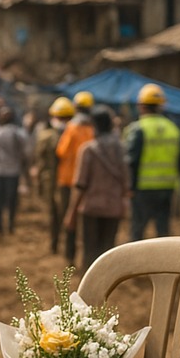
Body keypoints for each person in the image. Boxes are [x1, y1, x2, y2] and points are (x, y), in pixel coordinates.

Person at [63, 107, 130, 272]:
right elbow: (126, 181)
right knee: (107, 251)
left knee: (90, 251)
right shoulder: (120, 149)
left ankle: (89, 288)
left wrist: (71, 212)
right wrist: (124, 203)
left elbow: (80, 185)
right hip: (113, 207)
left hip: (91, 208)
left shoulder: (88, 150)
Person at [125, 82, 180, 241]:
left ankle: (135, 265)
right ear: (161, 106)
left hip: (142, 189)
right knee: (163, 232)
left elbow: (131, 161)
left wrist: (129, 187)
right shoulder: (173, 129)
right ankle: (163, 265)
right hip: (167, 187)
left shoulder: (137, 129)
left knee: (137, 230)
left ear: (141, 106)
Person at [54, 90, 96, 265]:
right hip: (88, 184)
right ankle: (88, 259)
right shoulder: (94, 129)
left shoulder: (71, 129)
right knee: (86, 223)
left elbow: (60, 152)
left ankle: (70, 257)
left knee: (69, 219)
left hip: (68, 181)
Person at [0, 105, 32, 239]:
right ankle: (8, 225)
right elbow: (25, 153)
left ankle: (1, 225)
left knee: (0, 200)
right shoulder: (17, 133)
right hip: (12, 172)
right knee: (11, 200)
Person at [33, 97, 73, 255]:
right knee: (57, 215)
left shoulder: (47, 136)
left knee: (61, 216)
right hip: (57, 182)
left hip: (61, 182)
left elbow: (39, 163)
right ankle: (57, 246)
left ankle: (58, 246)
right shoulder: (71, 136)